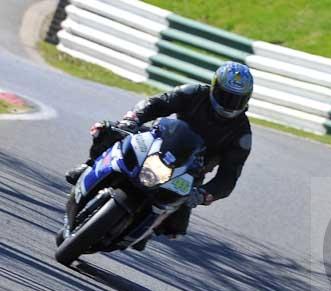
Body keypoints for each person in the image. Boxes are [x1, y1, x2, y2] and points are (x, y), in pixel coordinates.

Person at [64, 61, 254, 246]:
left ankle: (144, 229)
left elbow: (229, 176)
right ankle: (90, 165)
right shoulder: (194, 92)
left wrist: (204, 195)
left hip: (191, 170)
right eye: (226, 96)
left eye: (238, 99)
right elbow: (157, 103)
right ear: (214, 88)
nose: (230, 104)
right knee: (107, 130)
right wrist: (133, 119)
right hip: (162, 142)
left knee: (175, 228)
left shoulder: (242, 134)